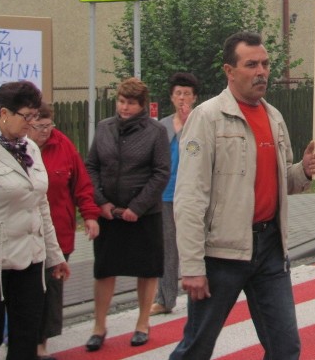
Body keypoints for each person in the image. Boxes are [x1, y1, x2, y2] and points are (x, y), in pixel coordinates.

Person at [169, 31, 315, 360]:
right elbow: (189, 197)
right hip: (221, 255)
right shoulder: (208, 118)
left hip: (269, 250)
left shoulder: (273, 118)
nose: (262, 72)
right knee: (196, 347)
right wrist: (192, 265)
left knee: (285, 348)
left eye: (266, 64)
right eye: (251, 64)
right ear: (229, 71)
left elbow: (283, 180)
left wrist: (305, 170)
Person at [0, 80, 69, 360]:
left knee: (26, 338)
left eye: (34, 116)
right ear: (4, 113)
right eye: (26, 117)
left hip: (30, 259)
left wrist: (55, 256)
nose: (31, 124)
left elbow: (41, 205)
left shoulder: (29, 149)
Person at [84, 77, 170, 350]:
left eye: (131, 103)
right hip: (108, 213)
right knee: (104, 269)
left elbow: (160, 173)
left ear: (142, 105)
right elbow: (91, 166)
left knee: (146, 269)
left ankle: (142, 323)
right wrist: (101, 202)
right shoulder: (104, 128)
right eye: (121, 101)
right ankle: (99, 326)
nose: (124, 107)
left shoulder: (155, 132)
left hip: (144, 215)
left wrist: (137, 207)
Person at [26, 102, 100, 360]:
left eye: (49, 126)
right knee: (28, 290)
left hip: (59, 233)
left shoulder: (64, 146)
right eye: (39, 126)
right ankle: (21, 338)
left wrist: (90, 216)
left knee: (51, 291)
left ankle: (40, 345)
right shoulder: (17, 148)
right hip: (24, 236)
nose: (45, 131)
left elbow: (81, 184)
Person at [151, 72, 200, 317]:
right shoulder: (162, 125)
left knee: (197, 245)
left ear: (195, 97)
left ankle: (204, 294)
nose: (182, 98)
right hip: (166, 195)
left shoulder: (200, 122)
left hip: (193, 195)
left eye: (187, 94)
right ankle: (165, 298)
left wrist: (188, 122)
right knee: (168, 248)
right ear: (171, 97)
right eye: (178, 93)